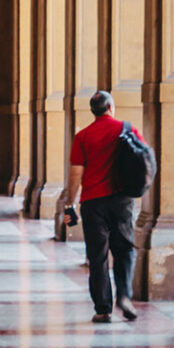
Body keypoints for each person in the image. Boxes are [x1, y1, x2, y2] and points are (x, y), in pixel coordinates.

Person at [64, 90, 141, 324]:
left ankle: (103, 308)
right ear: (111, 108)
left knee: (97, 256)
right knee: (125, 249)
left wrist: (70, 204)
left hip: (92, 202)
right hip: (121, 200)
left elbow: (76, 173)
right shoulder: (127, 130)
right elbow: (145, 160)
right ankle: (125, 296)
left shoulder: (83, 136)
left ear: (93, 111)